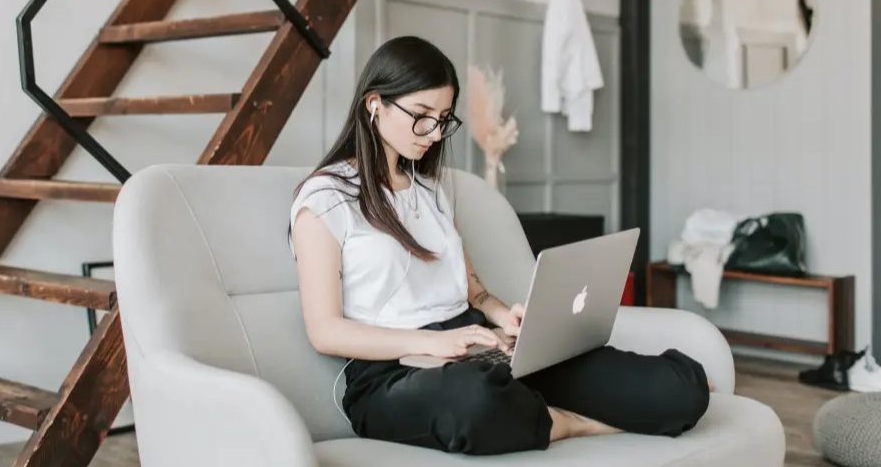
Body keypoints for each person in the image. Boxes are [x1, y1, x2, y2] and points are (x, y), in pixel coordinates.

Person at [288, 35, 711, 456]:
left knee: (675, 390)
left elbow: (474, 291)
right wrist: (426, 342)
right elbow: (325, 331)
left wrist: (505, 317)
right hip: (393, 376)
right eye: (421, 116)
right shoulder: (325, 199)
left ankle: (550, 408)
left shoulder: (430, 191)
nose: (434, 133)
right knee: (476, 401)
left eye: (443, 119)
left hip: (477, 349)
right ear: (374, 103)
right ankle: (570, 424)